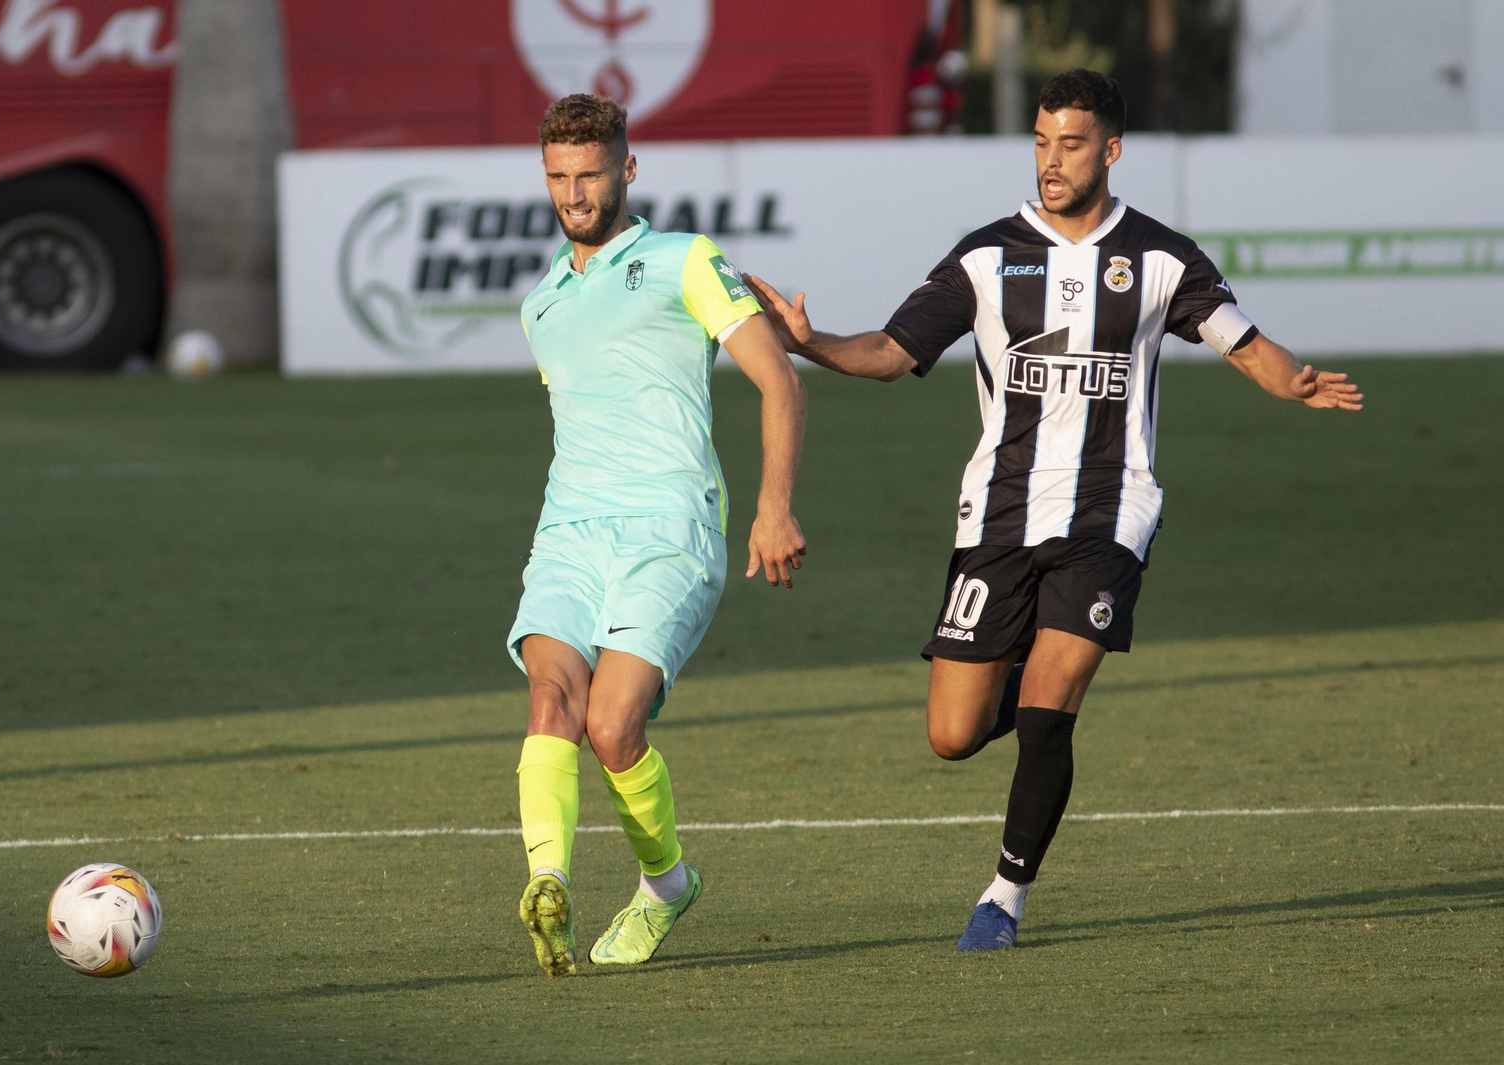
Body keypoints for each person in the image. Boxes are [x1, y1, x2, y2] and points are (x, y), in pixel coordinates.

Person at [744, 69, 1363, 952]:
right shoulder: (986, 255)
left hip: (1111, 512)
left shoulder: (1161, 257)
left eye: (1070, 144)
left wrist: (1292, 381)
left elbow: (1244, 341)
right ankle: (1022, 673)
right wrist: (813, 343)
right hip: (997, 517)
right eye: (1041, 142)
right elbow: (891, 350)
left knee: (1049, 704)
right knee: (953, 734)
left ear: (1110, 149)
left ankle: (1002, 897)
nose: (1051, 161)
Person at [510, 94, 809, 978]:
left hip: (671, 524)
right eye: (559, 176)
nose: (575, 192)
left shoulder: (685, 260)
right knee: (549, 707)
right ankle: (548, 884)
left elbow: (779, 381)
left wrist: (773, 505)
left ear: (627, 169)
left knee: (610, 727)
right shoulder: (539, 305)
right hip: (569, 528)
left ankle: (665, 883)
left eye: (591, 173)